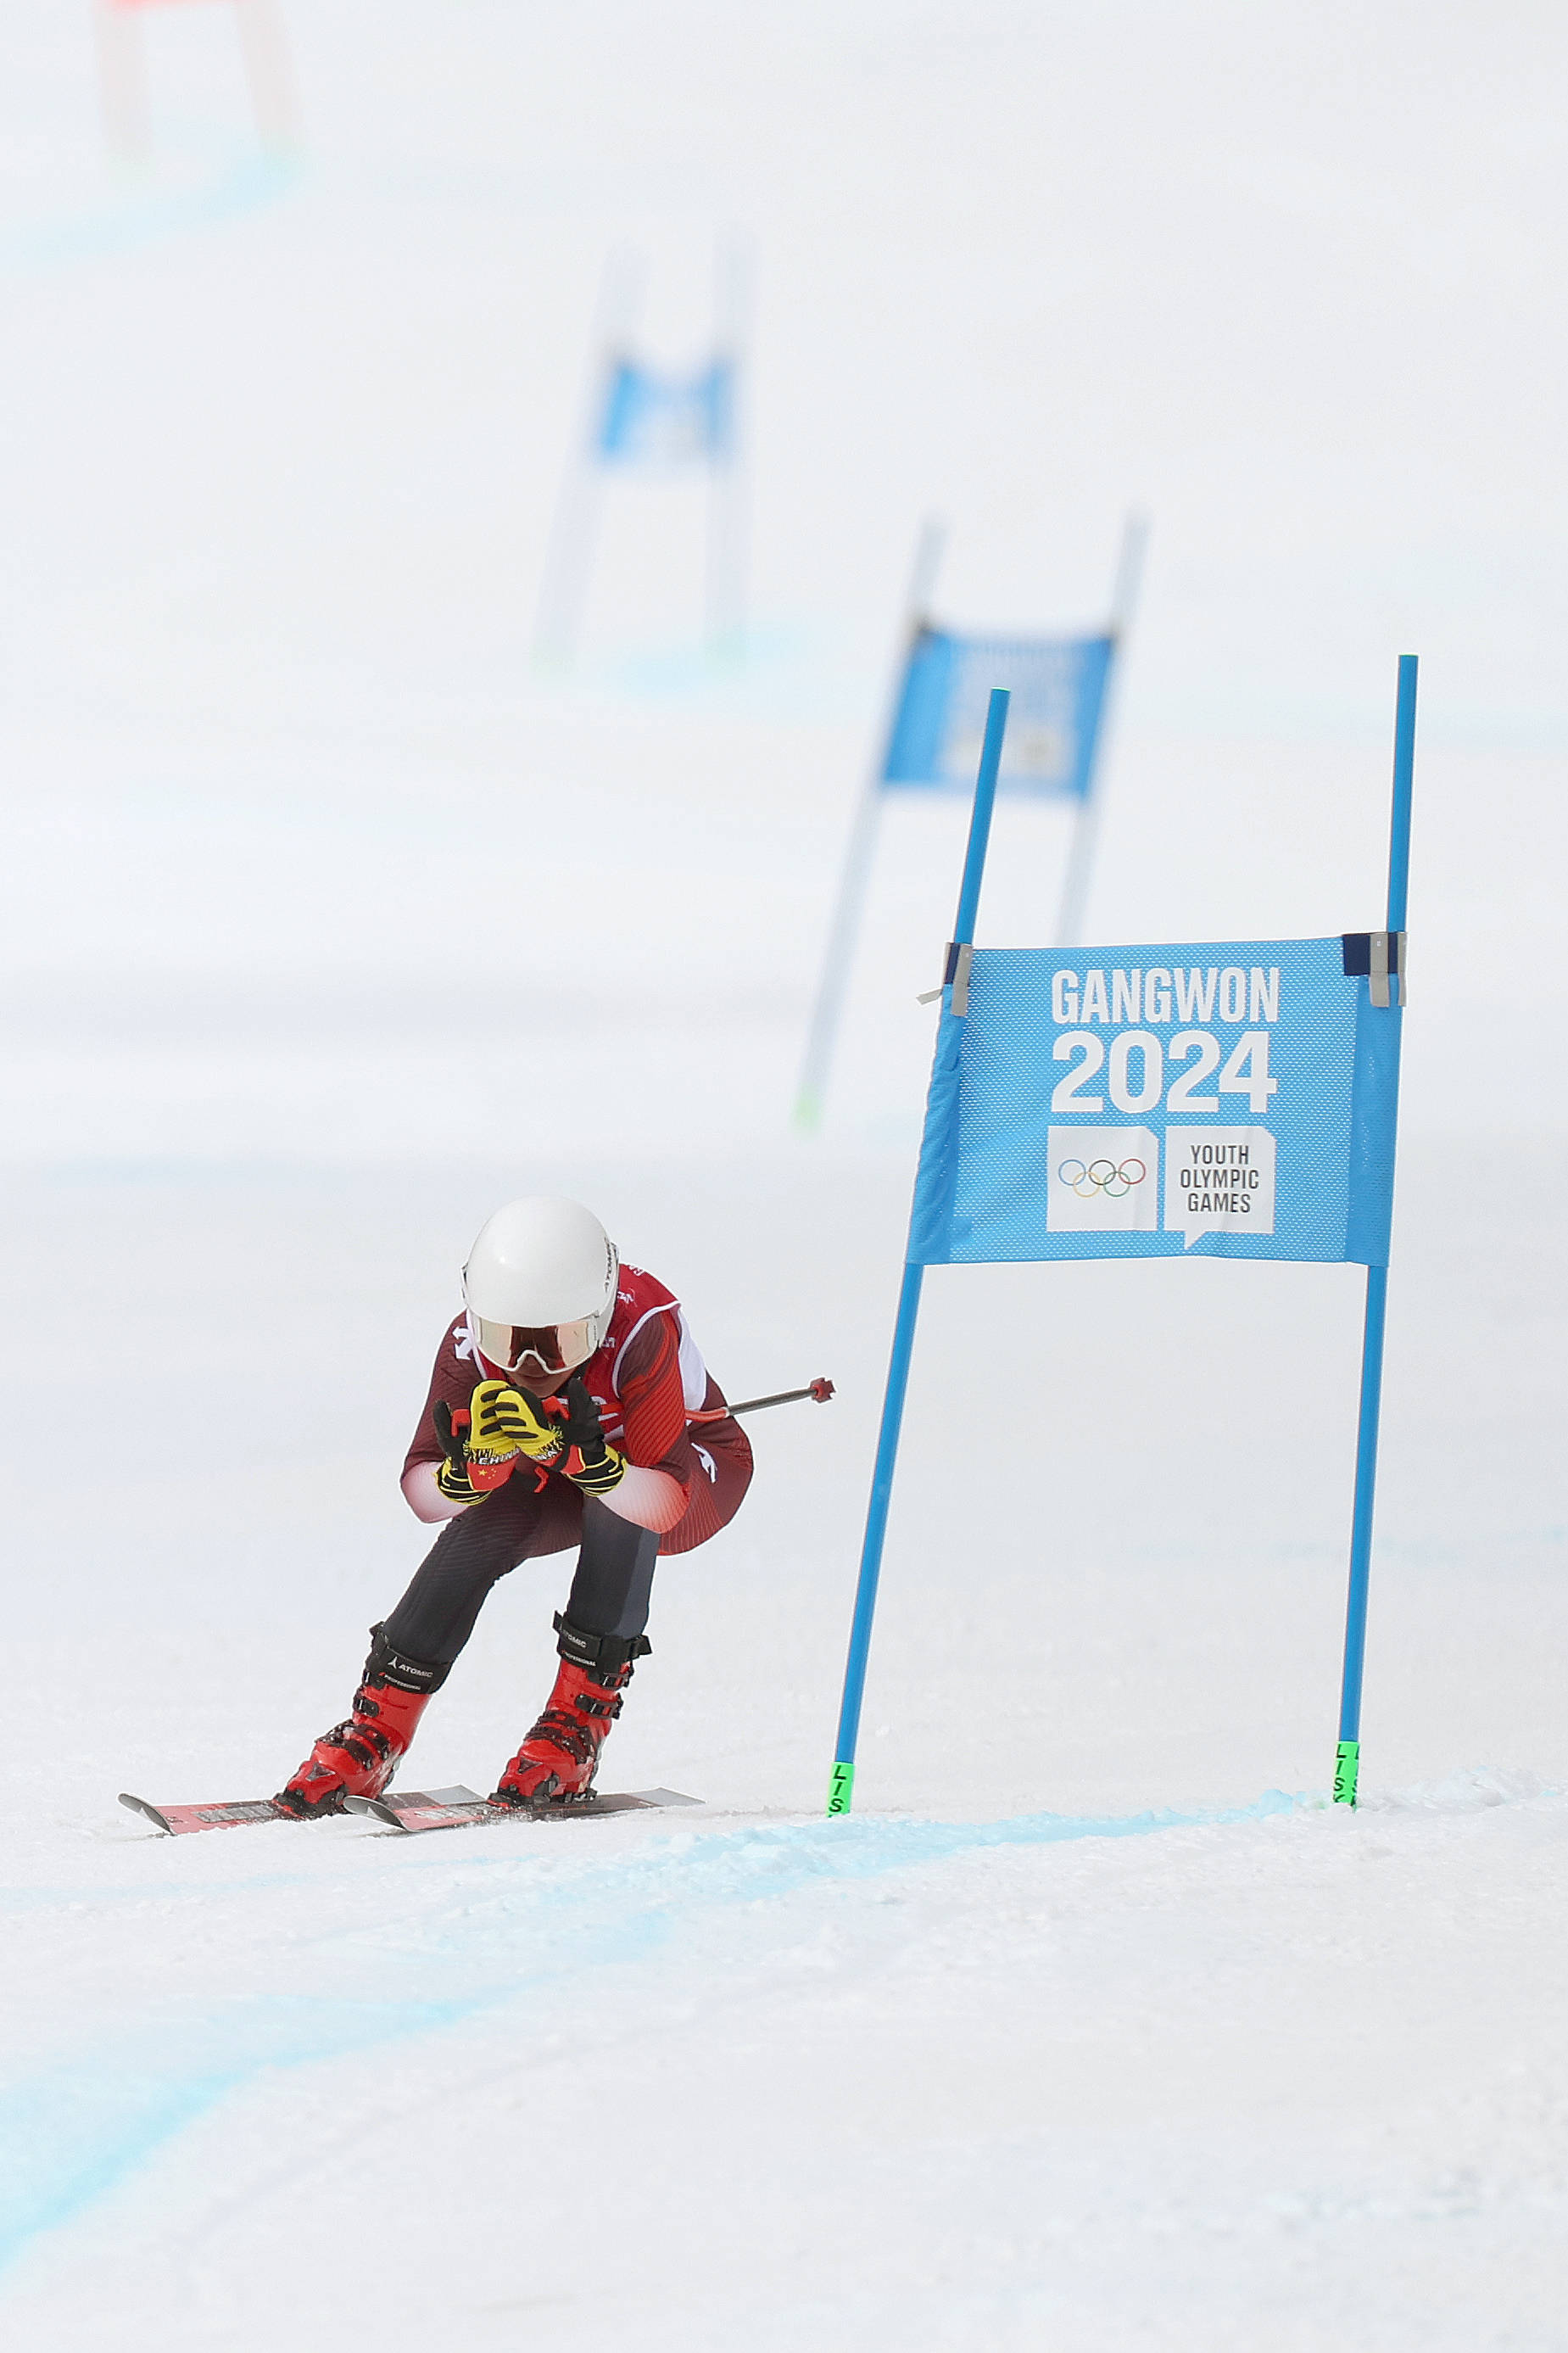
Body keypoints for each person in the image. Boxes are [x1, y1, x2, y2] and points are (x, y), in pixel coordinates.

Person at [277, 1197, 753, 1815]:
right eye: (505, 1342)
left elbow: (664, 1502)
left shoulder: (640, 1331)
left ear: (600, 1318)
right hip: (557, 1471)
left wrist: (583, 1460)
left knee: (619, 1505)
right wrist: (469, 1476)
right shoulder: (466, 1345)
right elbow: (423, 1495)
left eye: (560, 1344)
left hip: (683, 1476)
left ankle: (574, 1729)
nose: (529, 1367)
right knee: (487, 1524)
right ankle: (379, 1730)